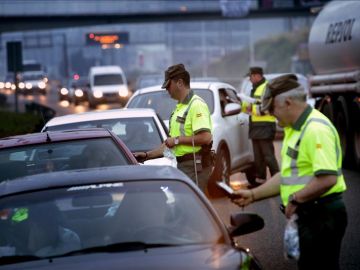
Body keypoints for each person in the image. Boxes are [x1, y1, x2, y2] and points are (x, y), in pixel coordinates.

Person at [232, 74, 347, 270]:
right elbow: (287, 177)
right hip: (311, 214)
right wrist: (252, 195)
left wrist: (295, 199)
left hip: (322, 216)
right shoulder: (294, 129)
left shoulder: (315, 129)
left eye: (272, 109)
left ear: (287, 102)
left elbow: (327, 178)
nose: (271, 114)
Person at [133, 63, 214, 193]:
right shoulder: (179, 108)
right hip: (184, 166)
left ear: (180, 83)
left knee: (189, 208)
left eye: (168, 85)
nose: (167, 90)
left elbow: (205, 137)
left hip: (195, 166)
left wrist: (177, 140)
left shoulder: (196, 105)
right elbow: (170, 145)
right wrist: (147, 156)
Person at [241, 67, 279, 186]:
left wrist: (251, 109)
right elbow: (250, 106)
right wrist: (242, 105)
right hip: (256, 126)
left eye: (251, 76)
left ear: (257, 76)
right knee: (258, 157)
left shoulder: (266, 88)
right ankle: (260, 181)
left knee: (268, 155)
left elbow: (266, 107)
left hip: (265, 126)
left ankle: (277, 180)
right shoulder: (255, 88)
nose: (250, 79)